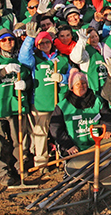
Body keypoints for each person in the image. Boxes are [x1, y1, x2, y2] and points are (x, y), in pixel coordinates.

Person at [0, 29, 32, 186]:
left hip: (16, 105)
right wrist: (2, 72)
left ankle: (18, 167)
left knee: (19, 139)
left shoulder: (20, 59)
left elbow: (29, 79)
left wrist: (25, 85)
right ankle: (3, 173)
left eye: (11, 39)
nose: (8, 42)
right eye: (4, 40)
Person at [18, 25, 71, 168]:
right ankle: (41, 162)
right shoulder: (34, 60)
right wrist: (30, 38)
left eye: (47, 42)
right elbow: (22, 57)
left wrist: (63, 78)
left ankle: (63, 157)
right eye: (41, 43)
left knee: (61, 129)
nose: (45, 45)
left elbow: (72, 76)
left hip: (59, 101)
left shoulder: (61, 59)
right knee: (40, 131)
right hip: (41, 102)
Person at [49, 70, 111, 155]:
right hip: (74, 149)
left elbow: (107, 117)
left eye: (83, 83)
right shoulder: (63, 106)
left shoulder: (97, 101)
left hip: (97, 145)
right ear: (71, 87)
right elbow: (55, 128)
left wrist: (108, 129)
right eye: (77, 84)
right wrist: (69, 145)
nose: (81, 86)